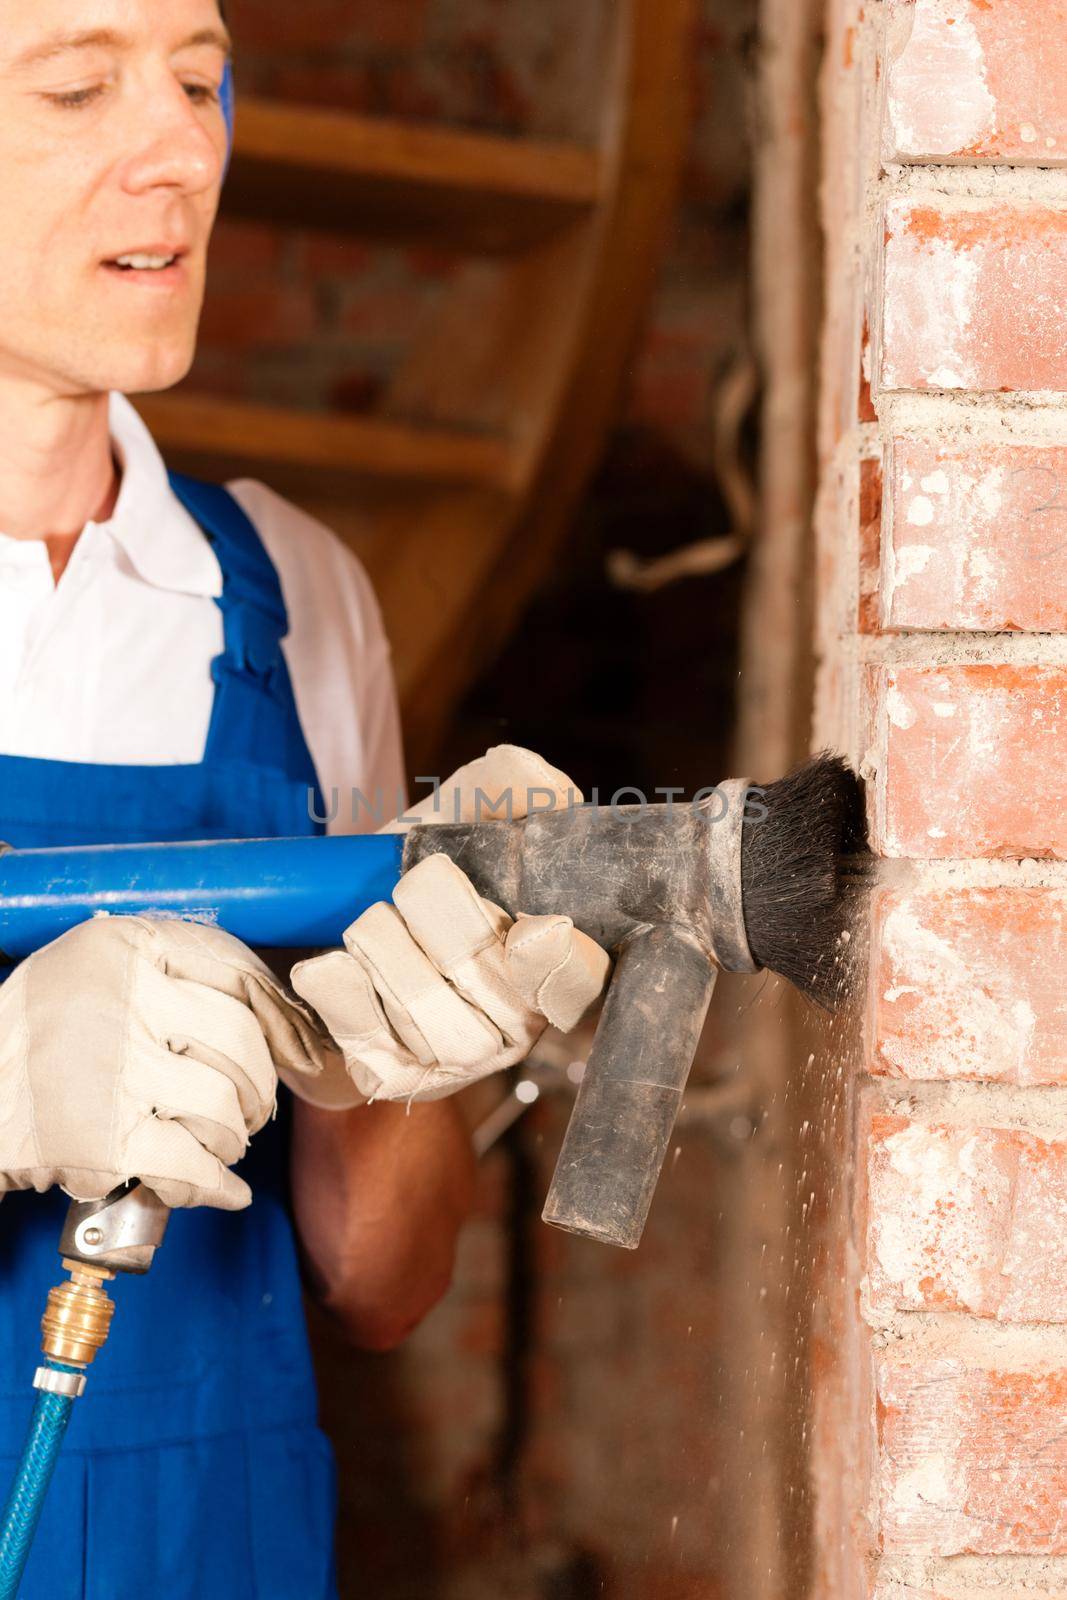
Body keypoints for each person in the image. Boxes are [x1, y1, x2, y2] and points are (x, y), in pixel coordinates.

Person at [0, 3, 609, 1595]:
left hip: (210, 1545)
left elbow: (385, 1281)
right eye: (79, 86)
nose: (184, 148)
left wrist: (395, 1057)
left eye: (200, 81)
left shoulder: (290, 592)